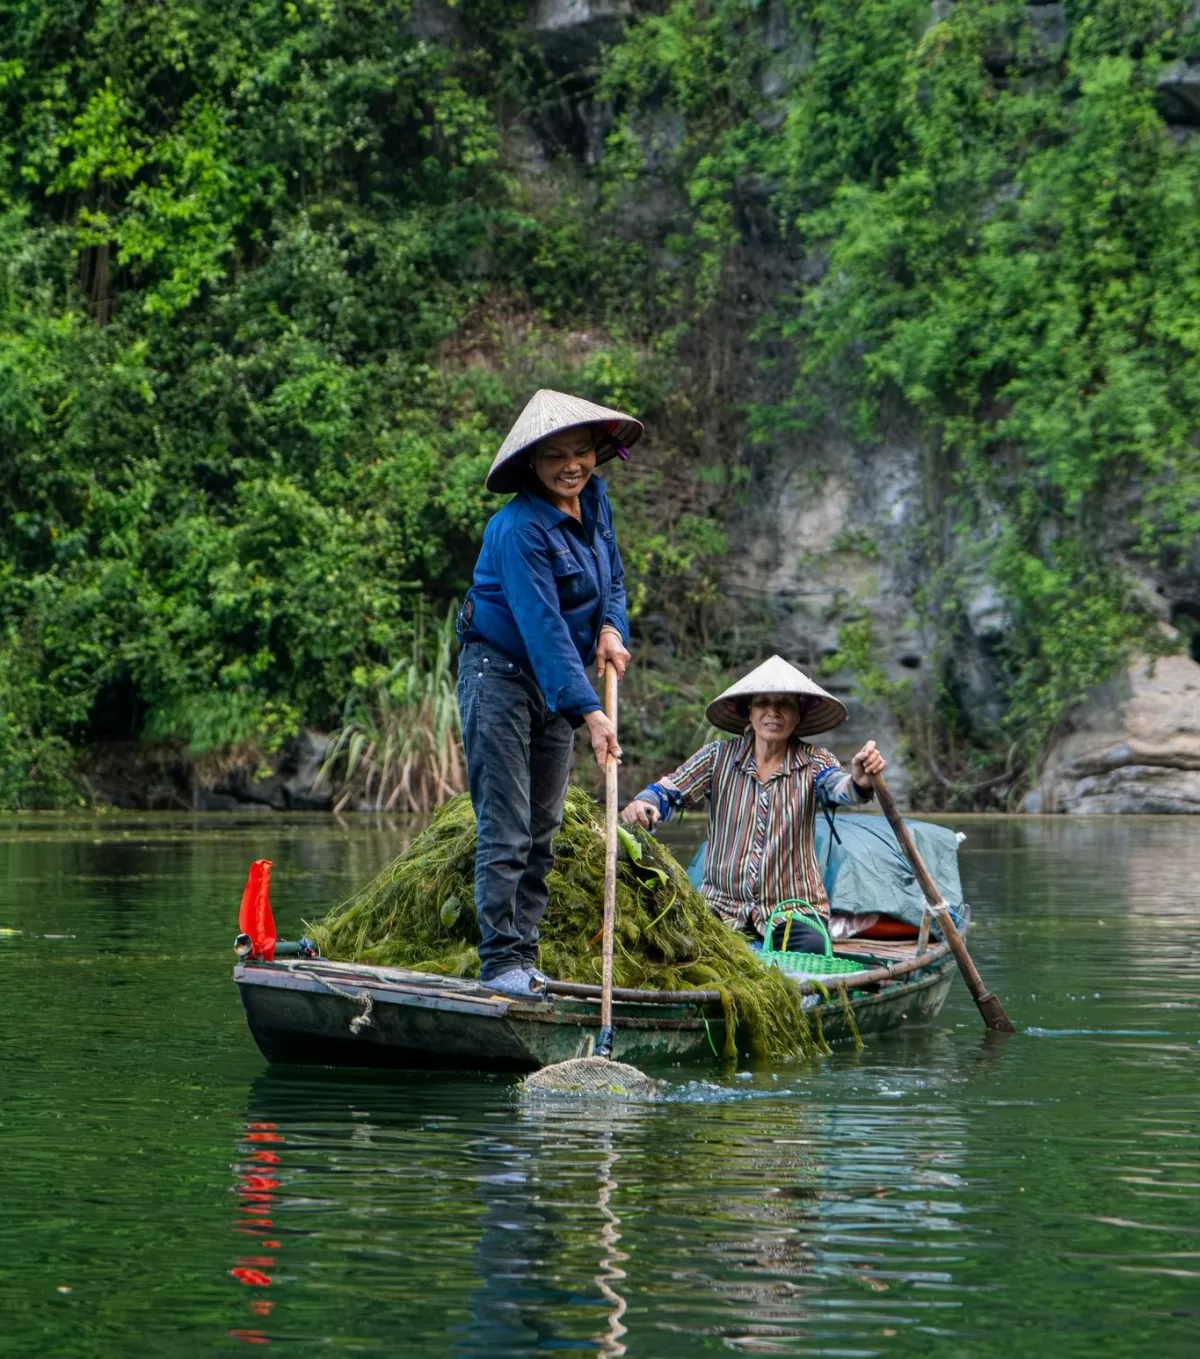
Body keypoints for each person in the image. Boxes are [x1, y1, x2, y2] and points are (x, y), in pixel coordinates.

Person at [456, 389, 643, 997]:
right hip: (502, 675)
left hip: (556, 683)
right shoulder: (514, 530)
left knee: (545, 823)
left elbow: (612, 576)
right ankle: (500, 963)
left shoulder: (595, 500)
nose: (573, 466)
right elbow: (542, 629)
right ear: (531, 465)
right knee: (507, 825)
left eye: (583, 452)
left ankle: (526, 956)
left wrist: (613, 626)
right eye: (557, 455)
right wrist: (590, 712)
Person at [621, 655, 887, 952]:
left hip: (792, 911)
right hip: (721, 909)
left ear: (798, 715)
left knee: (811, 951)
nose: (773, 712)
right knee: (677, 950)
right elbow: (668, 791)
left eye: (784, 704)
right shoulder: (717, 757)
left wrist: (861, 779)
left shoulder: (815, 761)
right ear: (750, 712)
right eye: (763, 703)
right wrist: (644, 804)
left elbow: (840, 787)